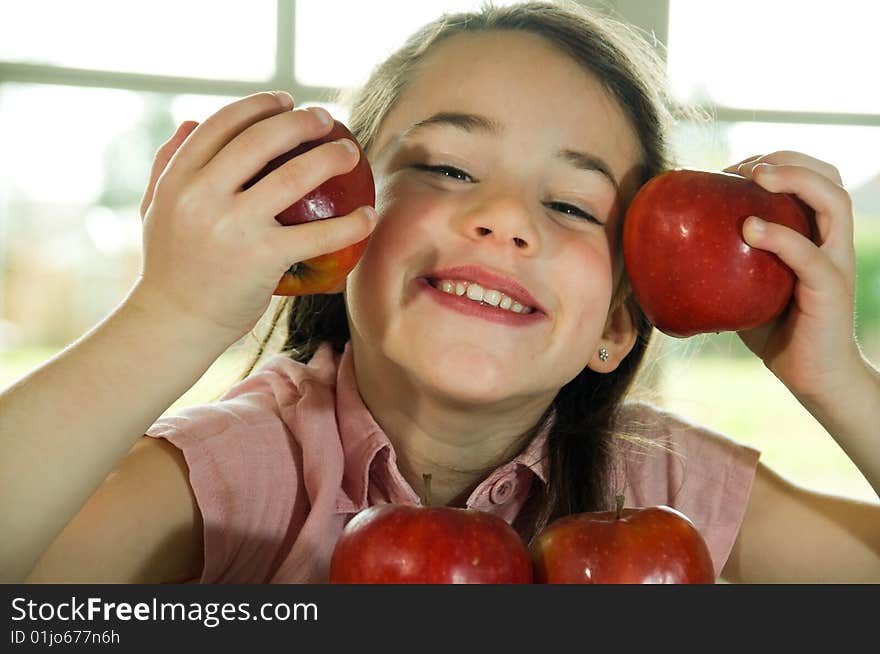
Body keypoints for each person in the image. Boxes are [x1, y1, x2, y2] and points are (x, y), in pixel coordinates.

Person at [1, 1, 878, 584]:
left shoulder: (659, 486)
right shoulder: (243, 477)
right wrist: (175, 315)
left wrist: (833, 377)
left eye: (570, 204)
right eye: (449, 168)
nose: (502, 218)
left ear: (618, 317)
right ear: (339, 234)